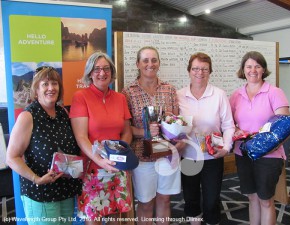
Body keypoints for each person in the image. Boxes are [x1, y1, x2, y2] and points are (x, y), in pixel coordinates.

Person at [6, 66, 82, 225]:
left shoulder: (62, 113)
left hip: (65, 191)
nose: (51, 88)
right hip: (40, 194)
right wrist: (37, 179)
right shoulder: (28, 116)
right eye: (45, 84)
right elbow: (12, 157)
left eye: (54, 83)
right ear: (36, 90)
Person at [122, 46, 184, 225]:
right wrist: (145, 132)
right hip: (142, 156)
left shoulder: (170, 89)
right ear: (138, 64)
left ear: (159, 63)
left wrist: (179, 139)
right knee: (146, 203)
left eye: (154, 60)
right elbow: (126, 128)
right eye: (146, 60)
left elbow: (176, 122)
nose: (150, 64)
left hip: (166, 155)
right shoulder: (128, 92)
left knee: (164, 200)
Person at [69, 51, 132, 225]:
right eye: (97, 69)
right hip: (93, 168)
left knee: (115, 218)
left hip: (117, 166)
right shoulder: (81, 97)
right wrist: (101, 160)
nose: (102, 73)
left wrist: (119, 155)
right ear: (90, 73)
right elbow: (81, 137)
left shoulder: (120, 98)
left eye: (106, 69)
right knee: (94, 219)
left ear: (112, 72)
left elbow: (126, 131)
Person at [229, 51, 290, 225]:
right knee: (252, 197)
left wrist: (267, 146)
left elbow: (284, 126)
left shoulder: (274, 92)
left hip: (269, 156)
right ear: (243, 70)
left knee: (266, 200)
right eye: (248, 66)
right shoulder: (236, 95)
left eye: (257, 66)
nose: (253, 70)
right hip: (243, 154)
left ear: (263, 69)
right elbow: (230, 123)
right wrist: (234, 130)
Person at [177, 52, 235, 225]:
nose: (199, 73)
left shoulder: (219, 94)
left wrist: (226, 147)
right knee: (191, 198)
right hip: (188, 156)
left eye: (204, 69)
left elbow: (228, 125)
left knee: (211, 200)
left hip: (212, 156)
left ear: (210, 71)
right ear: (189, 71)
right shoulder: (179, 95)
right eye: (195, 68)